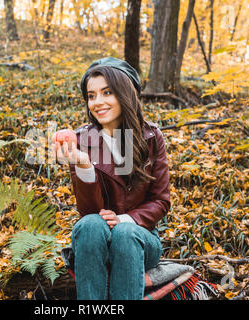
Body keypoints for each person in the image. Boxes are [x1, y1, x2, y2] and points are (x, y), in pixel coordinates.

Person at [51, 57, 170, 300]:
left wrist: (124, 219)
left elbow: (161, 201)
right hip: (97, 238)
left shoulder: (151, 137)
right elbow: (89, 212)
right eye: (91, 95)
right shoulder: (81, 140)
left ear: (125, 93)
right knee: (89, 225)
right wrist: (83, 165)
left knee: (125, 233)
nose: (97, 102)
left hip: (141, 237)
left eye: (107, 92)